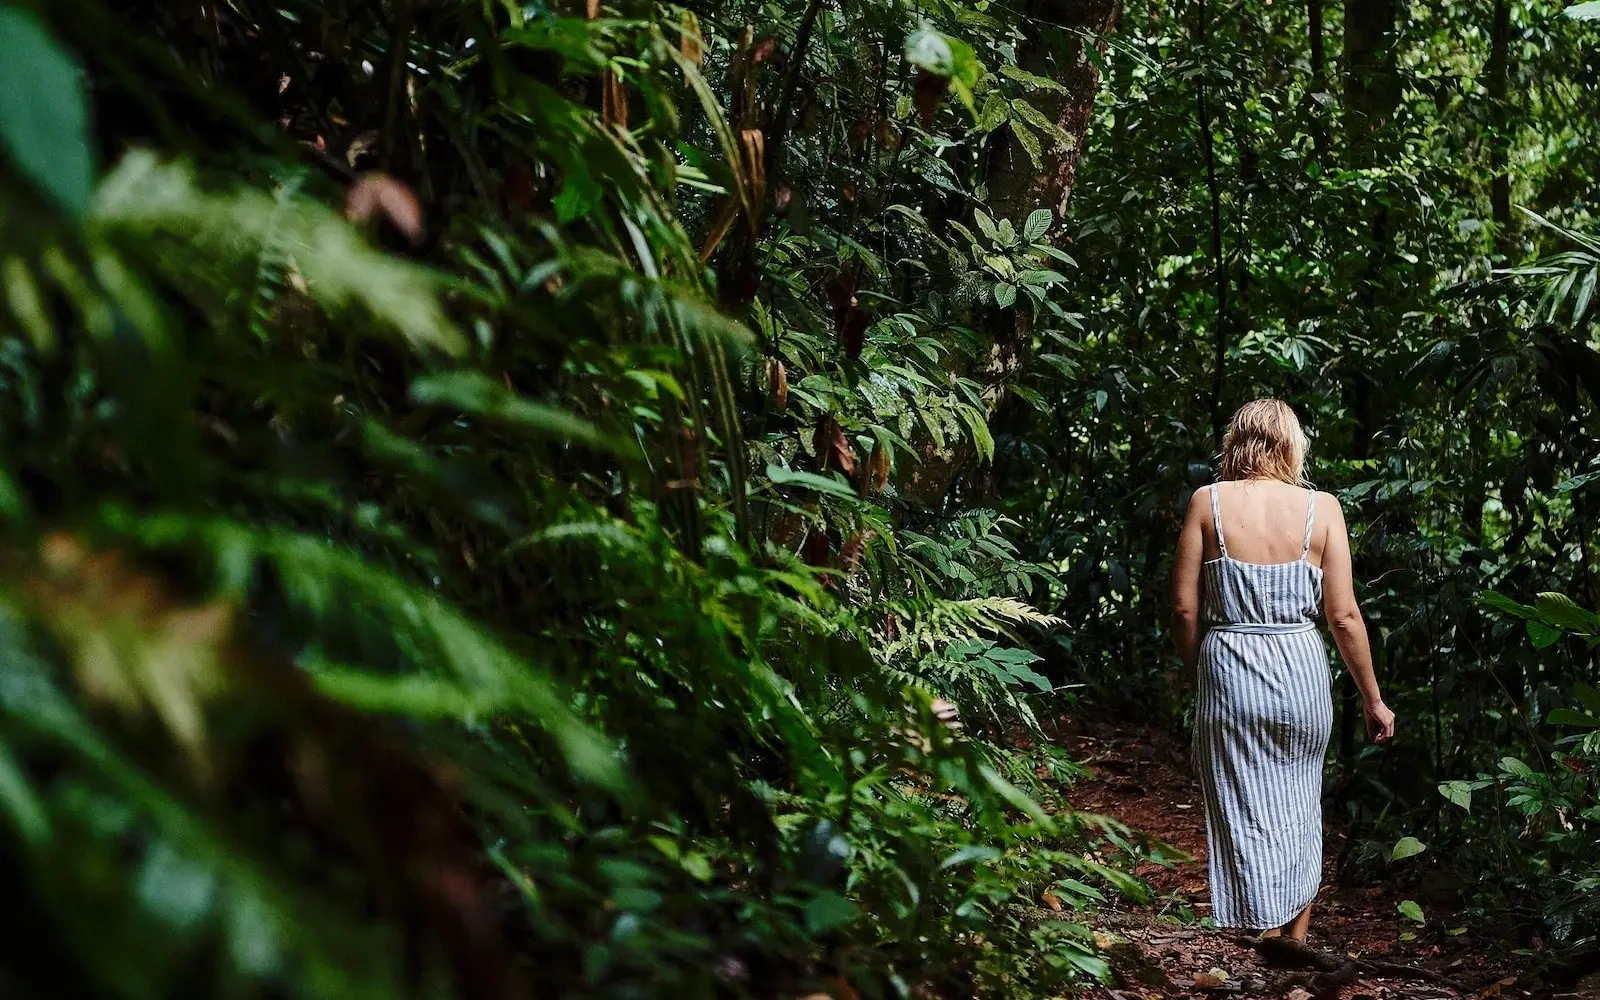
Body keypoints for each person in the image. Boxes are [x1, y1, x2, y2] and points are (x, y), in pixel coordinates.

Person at [1169, 398, 1395, 942]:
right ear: (1292, 446)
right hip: (1300, 672)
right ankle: (1293, 942)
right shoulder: (1323, 508)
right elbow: (1343, 616)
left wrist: (1198, 670)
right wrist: (1373, 698)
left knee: (1243, 808)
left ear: (1235, 442)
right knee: (1299, 806)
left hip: (1230, 671)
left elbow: (1182, 609)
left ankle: (1264, 939)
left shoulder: (1207, 502)